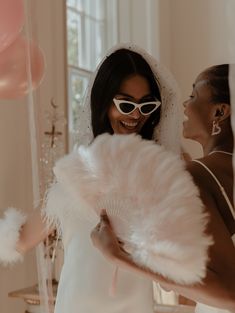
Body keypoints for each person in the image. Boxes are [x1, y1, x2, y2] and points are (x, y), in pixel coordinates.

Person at [0, 43, 181, 313]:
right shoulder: (76, 173)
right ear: (104, 103)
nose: (136, 115)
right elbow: (23, 237)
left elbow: (175, 272)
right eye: (126, 104)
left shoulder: (162, 172)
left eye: (146, 106)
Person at [90, 63, 235, 313]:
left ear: (219, 112)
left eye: (193, 96)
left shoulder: (197, 175)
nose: (185, 106)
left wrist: (119, 257)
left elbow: (231, 295)